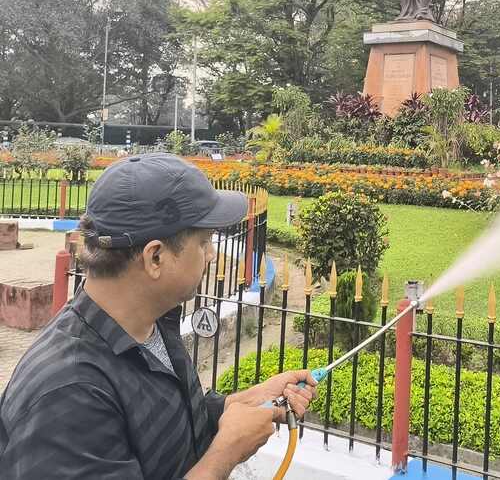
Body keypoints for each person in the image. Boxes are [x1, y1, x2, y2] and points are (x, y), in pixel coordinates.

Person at [0, 153, 317, 479]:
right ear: (155, 257)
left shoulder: (151, 323)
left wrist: (244, 402)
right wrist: (227, 451)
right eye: (204, 242)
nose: (211, 254)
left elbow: (166, 432)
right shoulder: (68, 395)